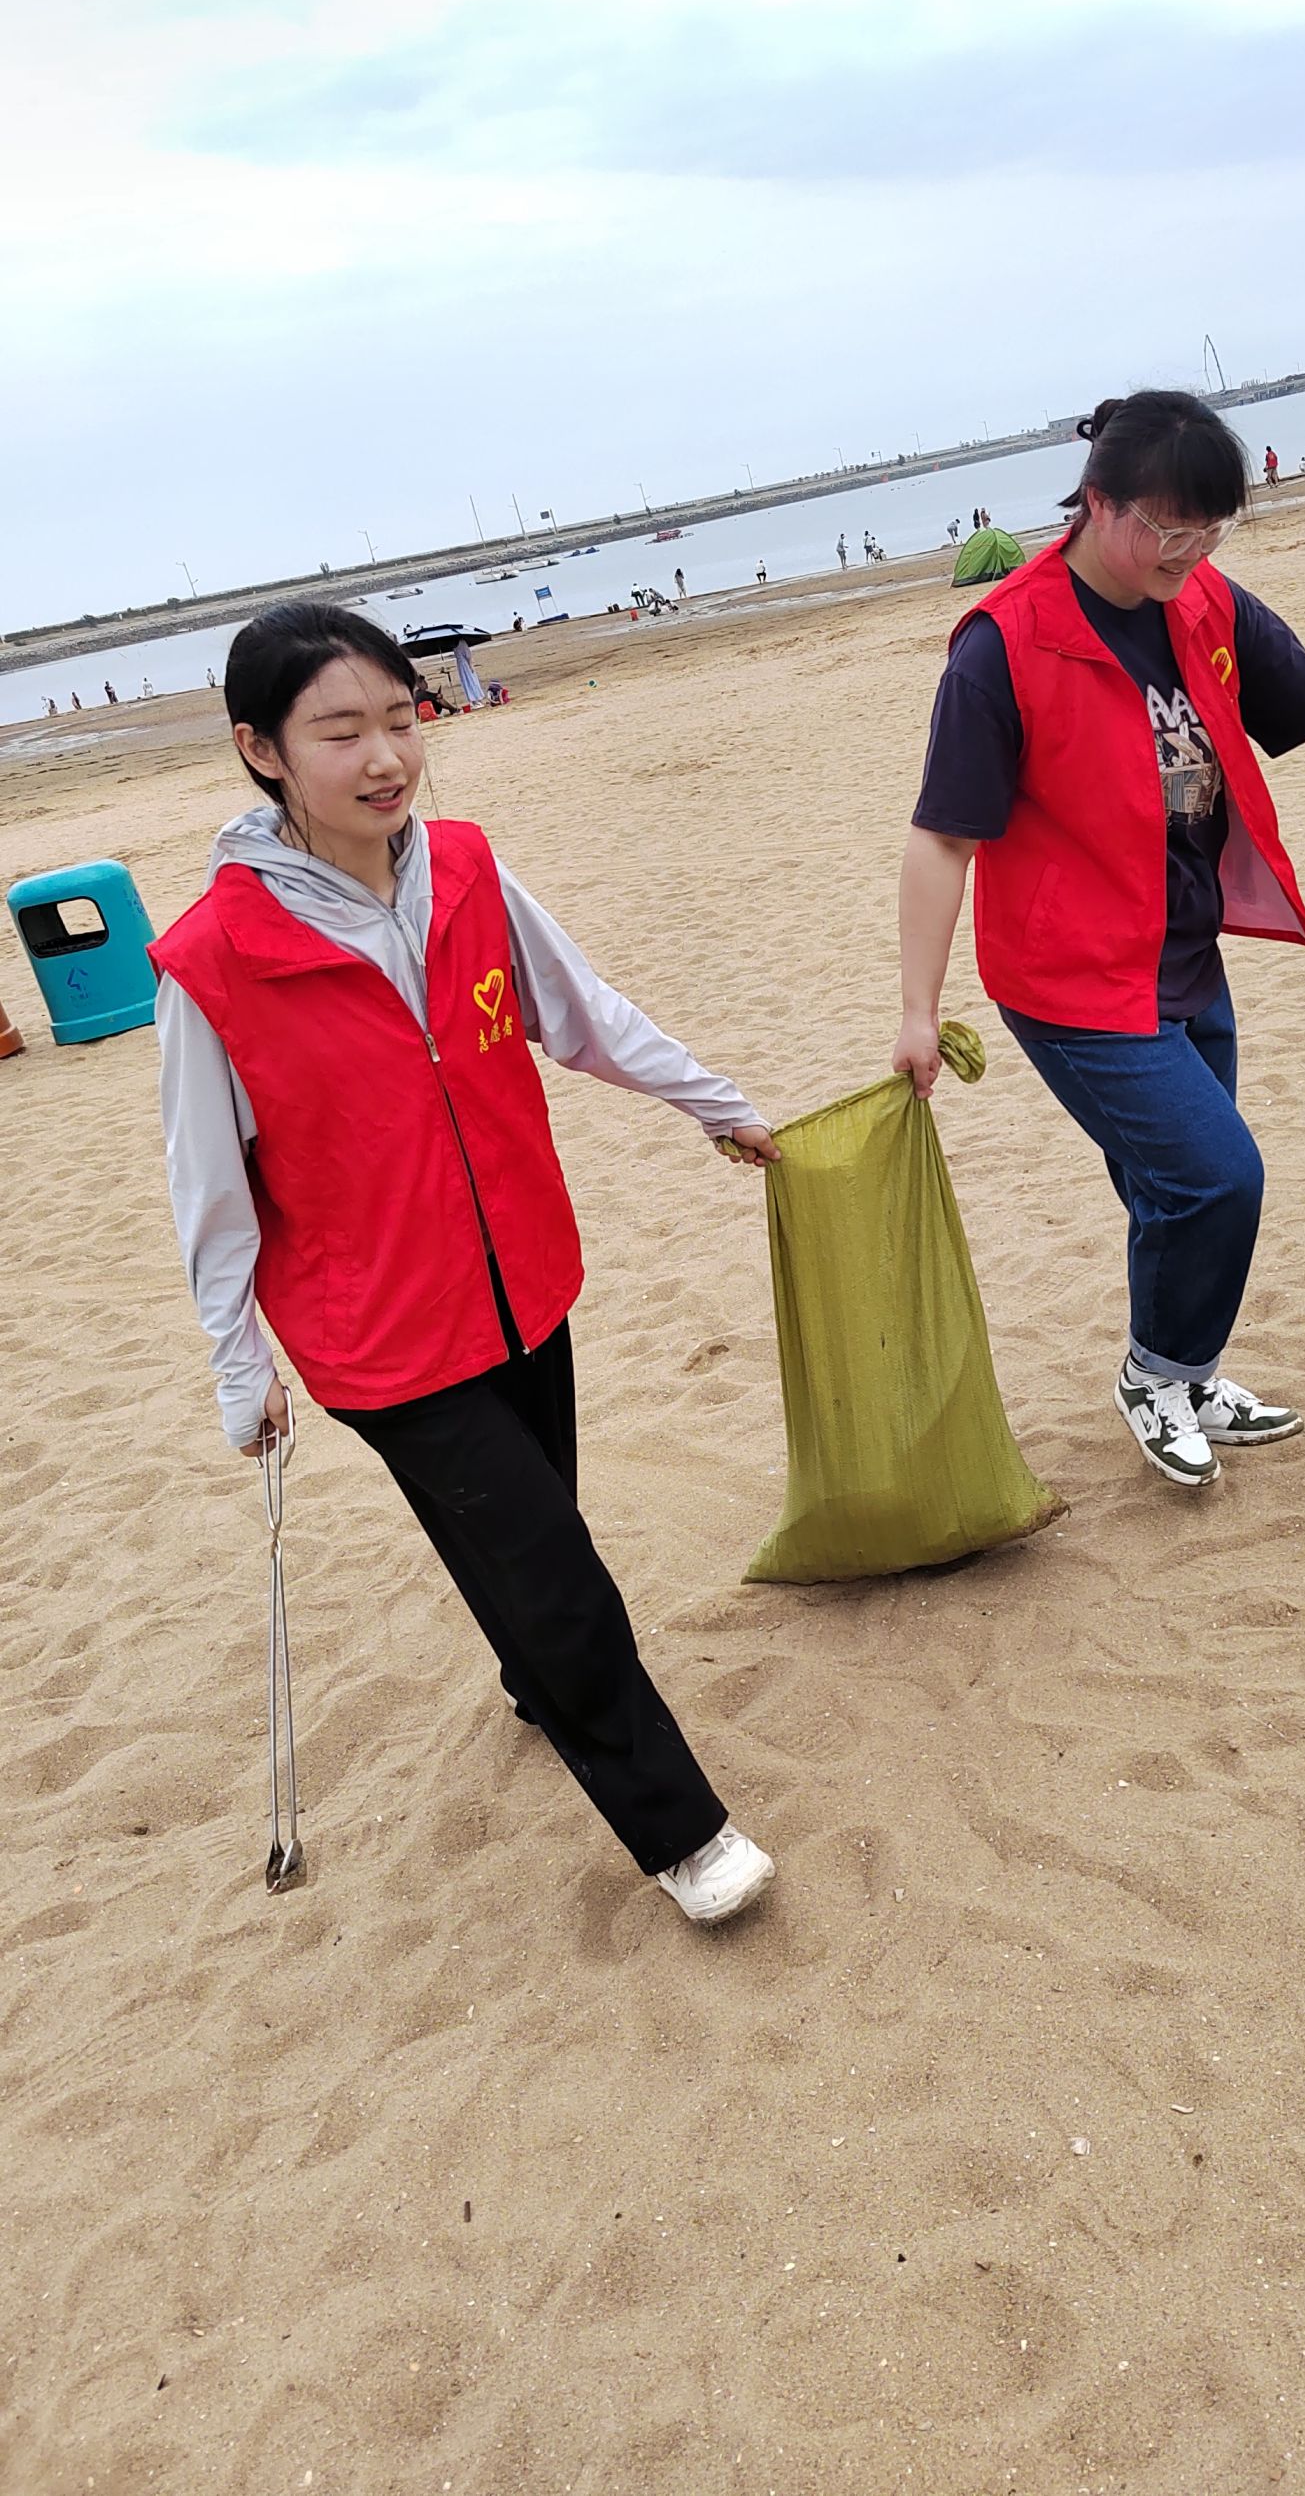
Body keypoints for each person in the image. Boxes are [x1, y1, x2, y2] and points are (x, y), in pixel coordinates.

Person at [150, 602, 780, 1931]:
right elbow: (210, 1190)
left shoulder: (469, 870)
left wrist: (713, 1103)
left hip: (519, 1280)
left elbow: (581, 1014)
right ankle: (682, 1833)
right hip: (378, 1334)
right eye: (341, 732)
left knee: (530, 1530)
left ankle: (535, 1678)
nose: (386, 757)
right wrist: (237, 1365)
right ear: (262, 750)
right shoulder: (211, 962)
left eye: (401, 718)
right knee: (557, 1572)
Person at [891, 392, 1305, 1490]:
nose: (1188, 554)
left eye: (1211, 531)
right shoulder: (1003, 647)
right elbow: (942, 838)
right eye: (1167, 530)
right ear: (1098, 503)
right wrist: (916, 1008)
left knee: (1168, 1188)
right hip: (1069, 979)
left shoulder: (1201, 601)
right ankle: (1157, 1375)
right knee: (1217, 1178)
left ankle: (1186, 1377)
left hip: (1182, 950)